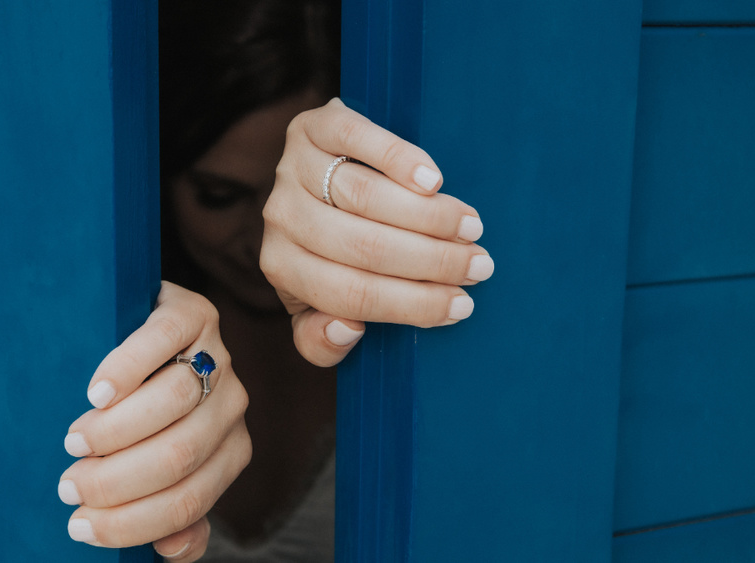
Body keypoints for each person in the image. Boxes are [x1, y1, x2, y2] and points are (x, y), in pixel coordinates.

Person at [57, 1, 494, 561]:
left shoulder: (403, 335)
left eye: (294, 194)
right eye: (220, 196)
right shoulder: (118, 327)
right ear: (164, 178)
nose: (262, 236)